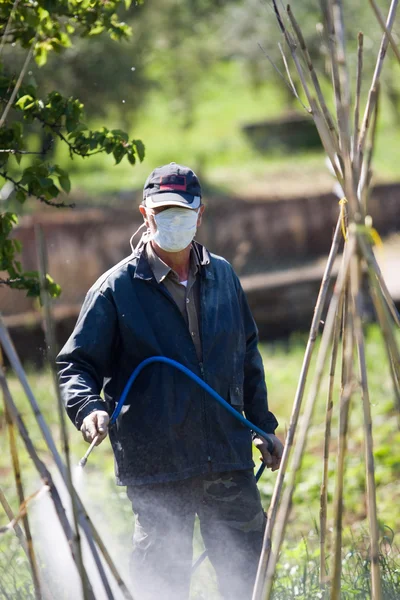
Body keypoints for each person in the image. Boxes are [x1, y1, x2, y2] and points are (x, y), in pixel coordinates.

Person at [57, 162, 283, 600]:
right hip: (157, 467)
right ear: (146, 215)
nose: (173, 219)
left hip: (225, 455)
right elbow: (76, 365)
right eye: (163, 211)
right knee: (162, 585)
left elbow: (246, 356)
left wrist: (263, 427)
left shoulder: (224, 278)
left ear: (200, 216)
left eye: (183, 211)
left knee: (251, 577)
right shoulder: (115, 289)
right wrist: (89, 409)